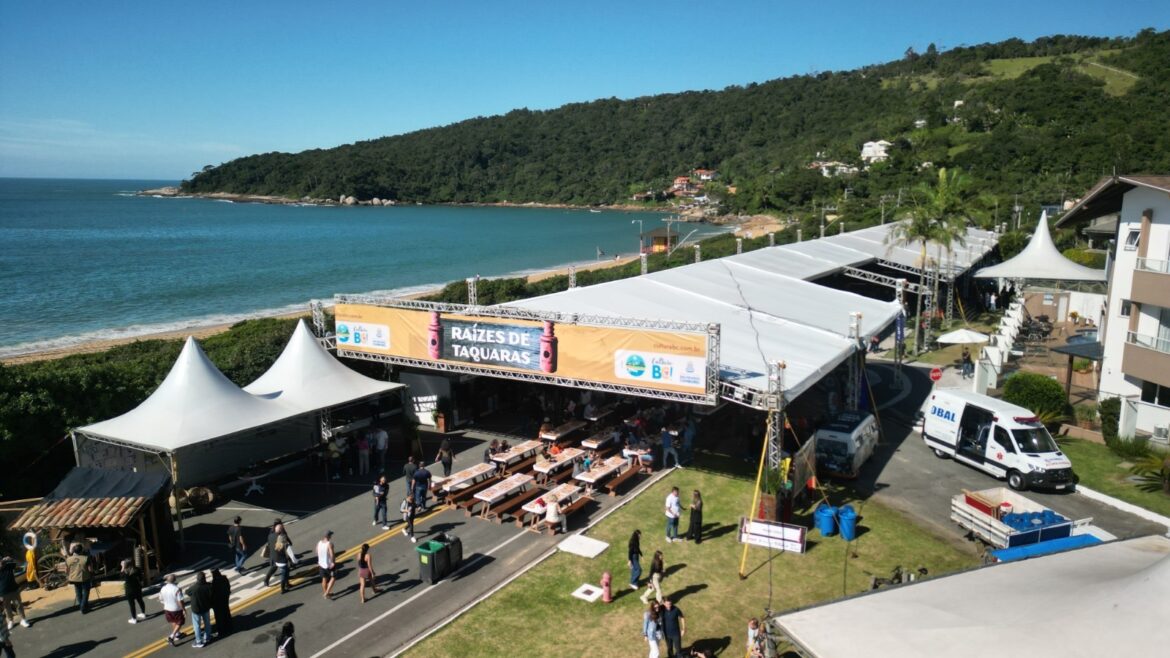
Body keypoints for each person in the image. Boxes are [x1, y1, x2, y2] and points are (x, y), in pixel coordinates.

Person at [0, 556, 30, 629]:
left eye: (0, 560)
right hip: (3, 592)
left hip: (14, 590)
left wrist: (12, 559)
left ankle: (23, 619)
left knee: (19, 605)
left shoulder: (9, 565)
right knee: (7, 608)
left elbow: (21, 564)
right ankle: (11, 621)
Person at [64, 544, 93, 614]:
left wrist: (68, 575)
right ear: (81, 551)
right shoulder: (86, 558)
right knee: (86, 592)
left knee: (78, 592)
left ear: (74, 551)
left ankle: (83, 606)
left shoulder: (68, 559)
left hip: (74, 578)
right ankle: (83, 607)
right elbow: (90, 569)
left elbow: (66, 571)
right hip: (84, 578)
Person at [158, 573, 185, 647]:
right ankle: (172, 636)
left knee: (173, 621)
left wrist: (165, 603)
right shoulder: (177, 589)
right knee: (180, 622)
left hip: (167, 608)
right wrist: (183, 609)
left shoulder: (163, 588)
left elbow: (160, 598)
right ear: (175, 580)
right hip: (176, 609)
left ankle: (177, 634)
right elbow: (180, 600)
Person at [188, 571, 213, 648]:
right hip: (205, 607)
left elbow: (187, 592)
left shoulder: (194, 588)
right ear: (204, 578)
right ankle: (208, 637)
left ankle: (198, 641)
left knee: (197, 625)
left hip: (196, 609)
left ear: (197, 579)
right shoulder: (208, 586)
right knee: (207, 622)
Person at [120, 559, 146, 624]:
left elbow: (121, 577)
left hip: (129, 590)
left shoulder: (125, 572)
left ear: (125, 565)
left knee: (132, 605)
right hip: (137, 588)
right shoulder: (137, 569)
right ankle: (143, 613)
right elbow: (141, 578)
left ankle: (134, 619)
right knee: (140, 600)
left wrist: (122, 567)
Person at [210, 569, 232, 636]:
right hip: (225, 597)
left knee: (219, 615)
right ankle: (229, 625)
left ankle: (221, 630)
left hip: (218, 600)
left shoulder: (215, 582)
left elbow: (213, 592)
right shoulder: (224, 578)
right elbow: (228, 586)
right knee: (226, 611)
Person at [263, 520, 284, 587]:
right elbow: (280, 547)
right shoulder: (279, 536)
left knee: (274, 567)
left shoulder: (270, 534)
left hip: (272, 554)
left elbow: (269, 544)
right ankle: (266, 579)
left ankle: (266, 579)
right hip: (277, 555)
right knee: (279, 567)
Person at [317, 531, 337, 600]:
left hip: (321, 564)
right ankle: (326, 593)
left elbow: (317, 551)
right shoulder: (329, 544)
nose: (331, 536)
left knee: (324, 579)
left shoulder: (319, 543)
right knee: (334, 577)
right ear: (328, 536)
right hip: (328, 565)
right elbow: (332, 554)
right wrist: (333, 562)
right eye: (330, 535)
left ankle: (326, 593)